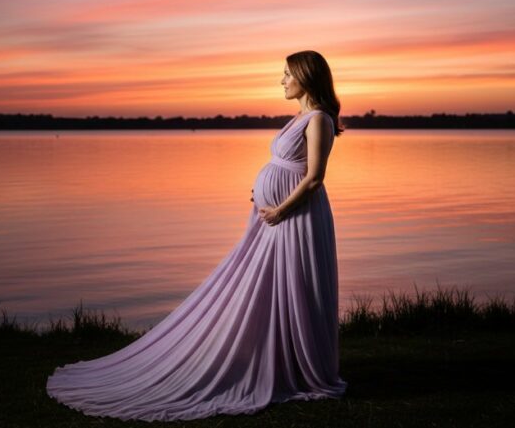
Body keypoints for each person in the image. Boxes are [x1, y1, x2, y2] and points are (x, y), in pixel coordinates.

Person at [46, 50, 347, 421]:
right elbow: (287, 166)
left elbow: (315, 177)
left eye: (287, 74)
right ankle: (278, 357)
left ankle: (301, 368)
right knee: (270, 289)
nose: (281, 80)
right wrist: (265, 193)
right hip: (274, 219)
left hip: (295, 220)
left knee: (296, 288)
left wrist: (281, 208)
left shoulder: (319, 120)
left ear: (306, 76)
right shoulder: (299, 117)